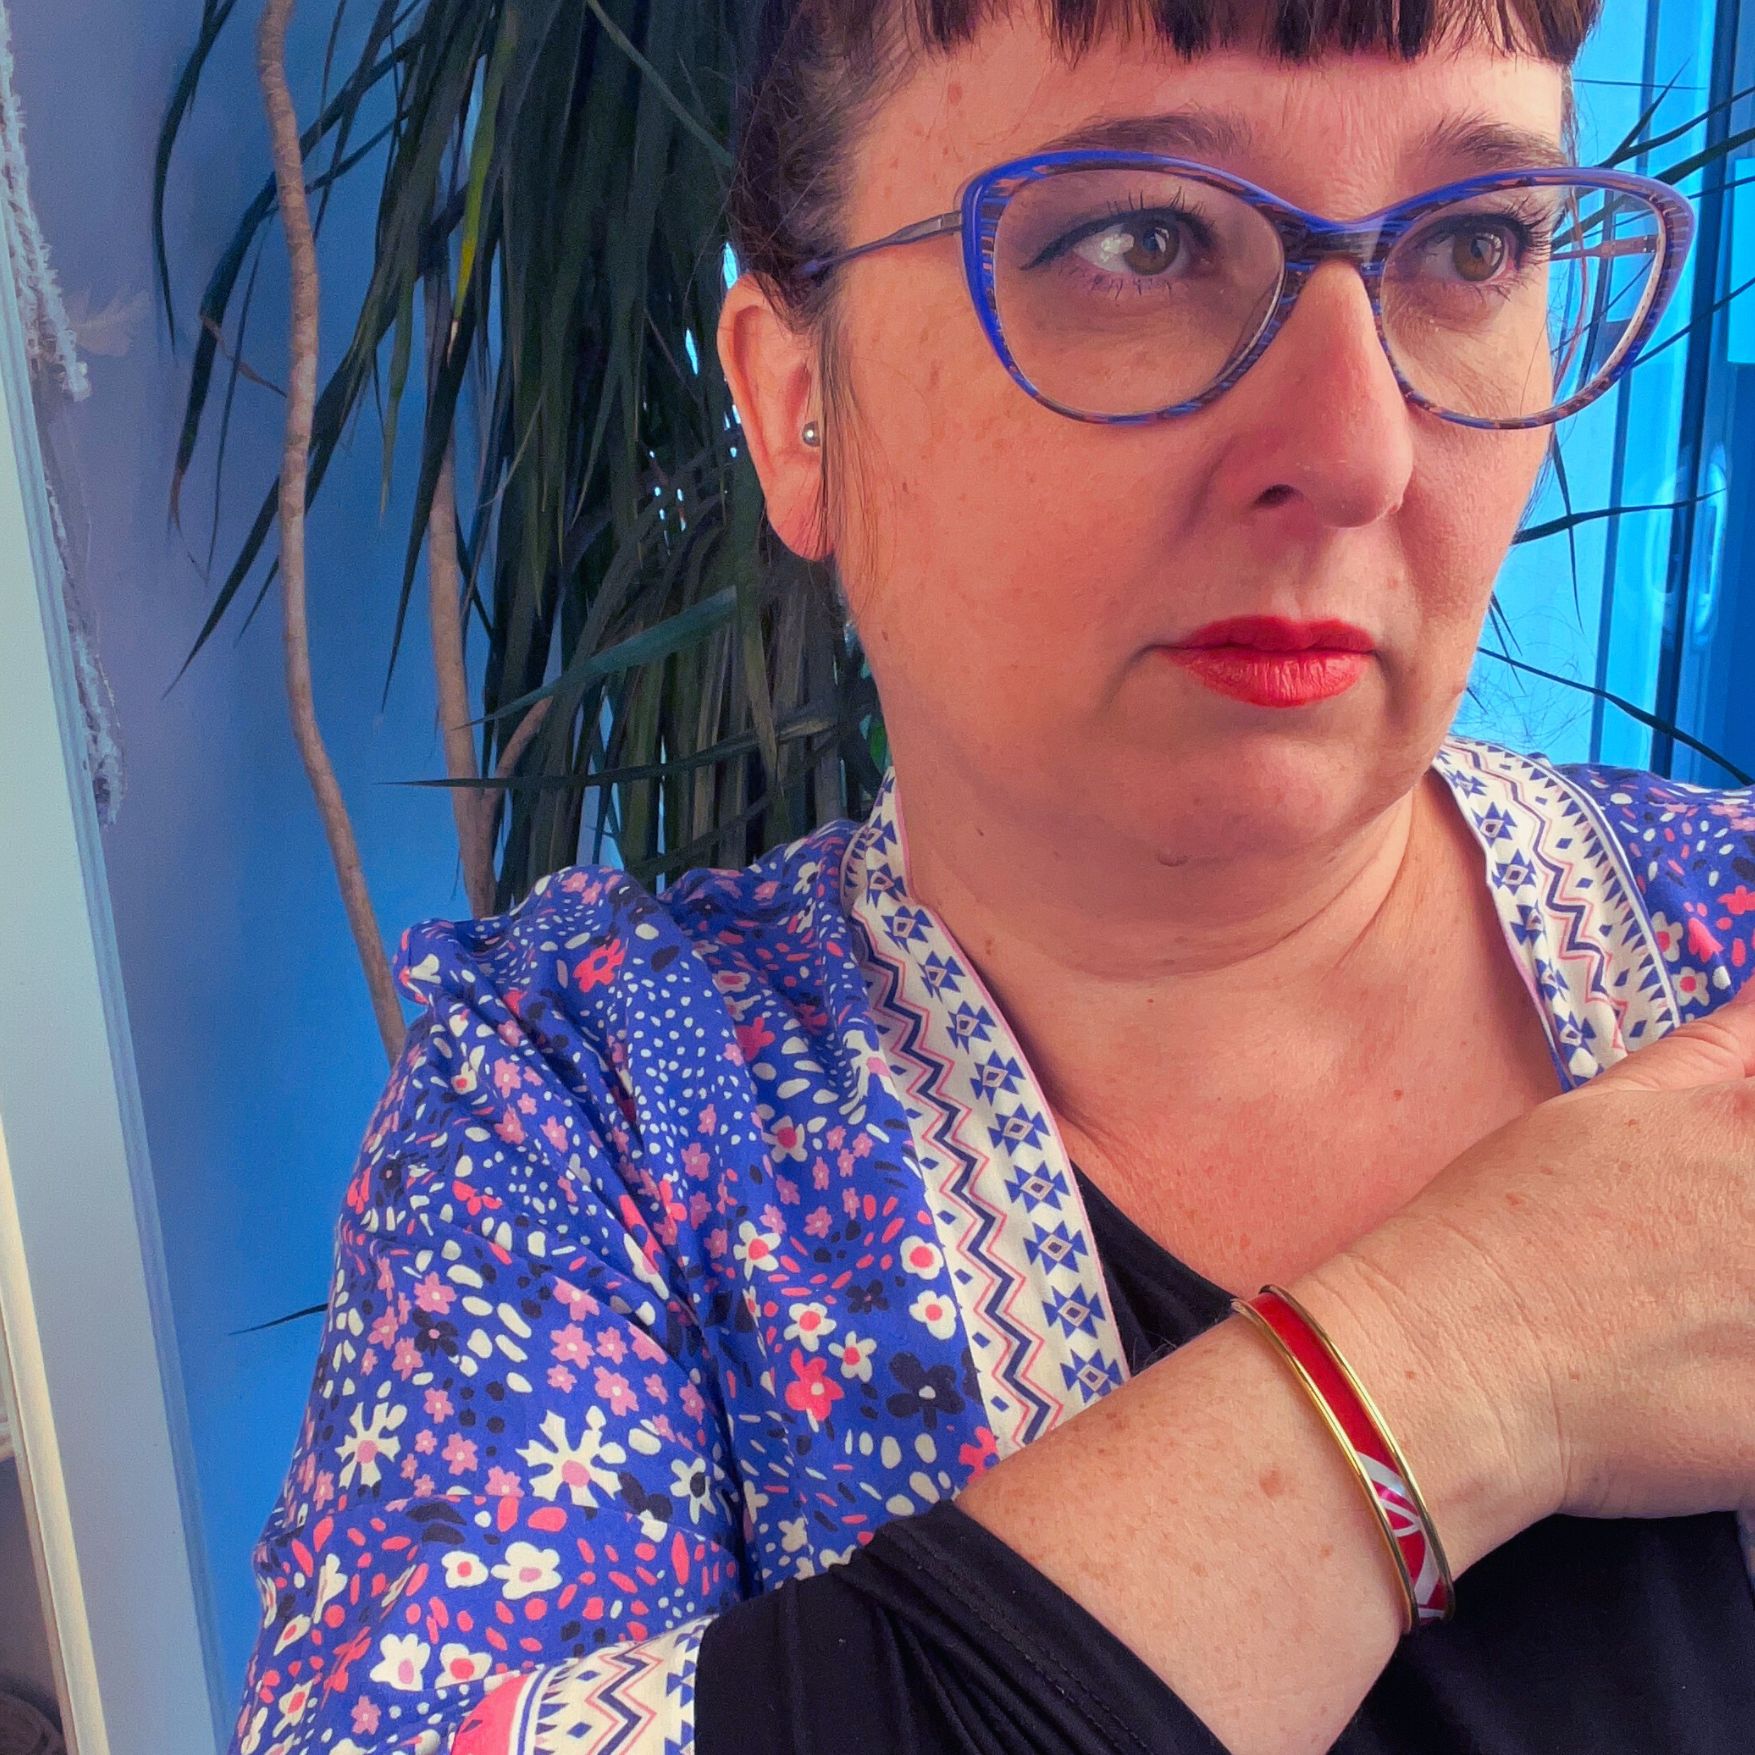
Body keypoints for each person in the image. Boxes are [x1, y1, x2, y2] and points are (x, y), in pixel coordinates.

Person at [225, 3, 1755, 1752]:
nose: (1357, 454)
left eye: (1477, 245)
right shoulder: (597, 1118)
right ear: (797, 407)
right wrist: (1462, 1360)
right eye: (1142, 240)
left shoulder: (1727, 950)